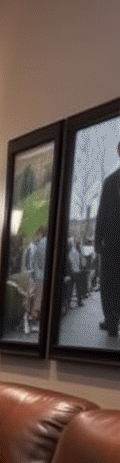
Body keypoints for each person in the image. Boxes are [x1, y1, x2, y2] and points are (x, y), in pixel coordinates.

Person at [95, 140, 120, 337]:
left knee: (109, 283)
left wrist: (97, 241)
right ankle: (112, 320)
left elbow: (102, 213)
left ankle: (112, 321)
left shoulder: (111, 181)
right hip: (112, 242)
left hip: (112, 242)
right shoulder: (110, 181)